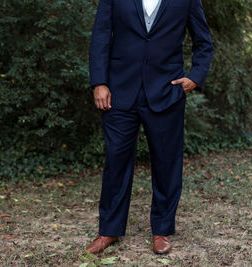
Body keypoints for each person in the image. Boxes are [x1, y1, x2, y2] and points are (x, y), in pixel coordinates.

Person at [86, 0, 214, 254]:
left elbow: (204, 42)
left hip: (167, 92)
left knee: (167, 162)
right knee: (116, 161)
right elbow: (100, 34)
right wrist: (99, 82)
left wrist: (196, 77)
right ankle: (108, 230)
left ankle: (162, 230)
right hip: (119, 92)